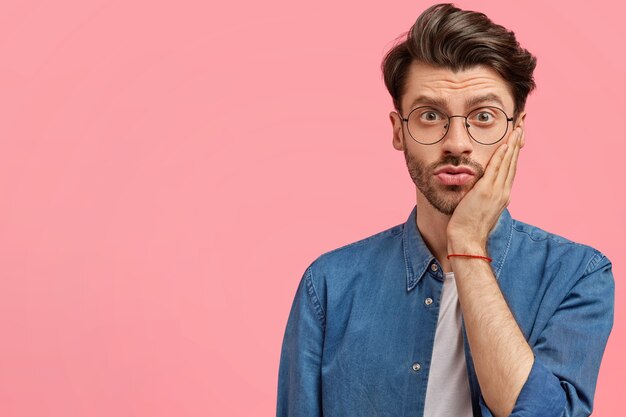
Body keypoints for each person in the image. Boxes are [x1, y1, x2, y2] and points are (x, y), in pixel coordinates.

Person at [276, 3, 614, 417]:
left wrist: (468, 244)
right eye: (430, 115)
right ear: (399, 131)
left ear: (517, 131)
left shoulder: (577, 276)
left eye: (484, 116)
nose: (456, 142)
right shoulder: (328, 286)